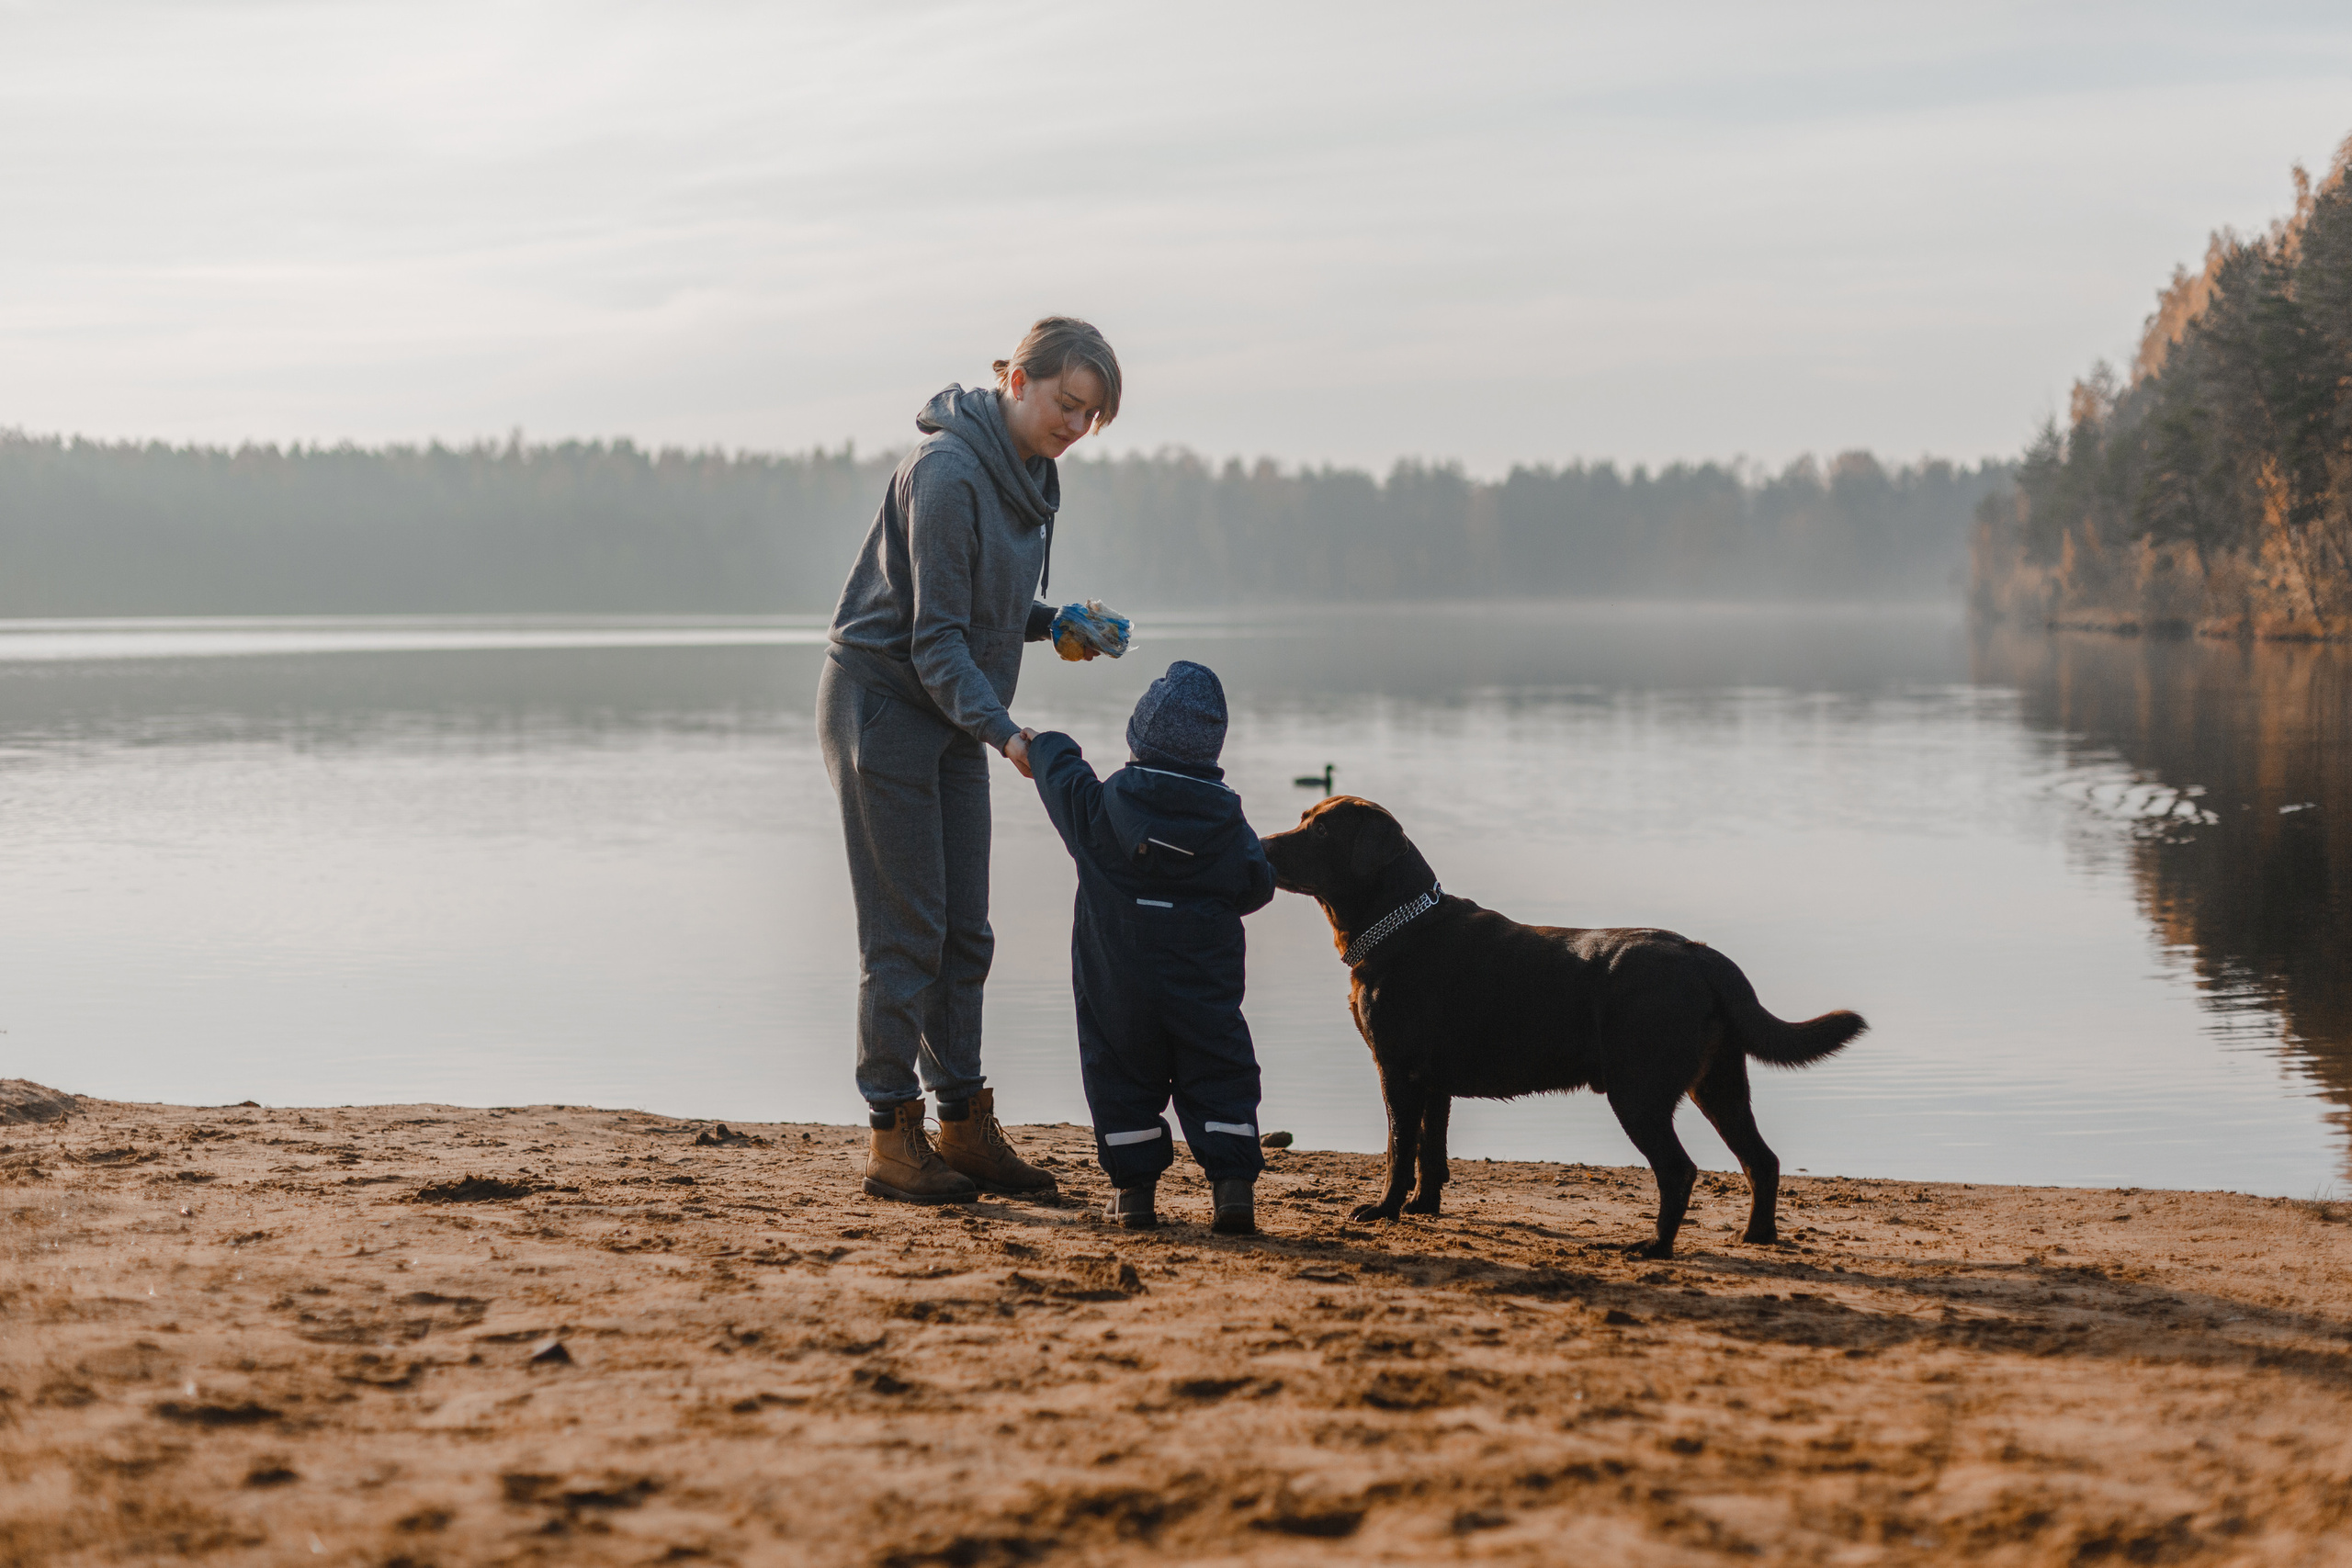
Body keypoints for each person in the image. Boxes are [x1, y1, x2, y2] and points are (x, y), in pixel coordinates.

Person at [818, 317, 1121, 1204]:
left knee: (967, 932)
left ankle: (964, 1122)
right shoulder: (947, 473)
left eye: (1090, 417)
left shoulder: (1034, 475)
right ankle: (891, 1136)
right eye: (1066, 403)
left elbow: (987, 599)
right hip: (884, 706)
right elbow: (937, 638)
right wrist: (1012, 736)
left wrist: (1054, 620)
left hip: (949, 708)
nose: (1074, 426)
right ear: (1017, 379)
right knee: (905, 933)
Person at [1020, 660, 1275, 1234]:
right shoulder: (1228, 825)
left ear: (1138, 736)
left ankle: (1134, 1194)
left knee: (1118, 1073)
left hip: (1118, 982)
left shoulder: (1101, 809)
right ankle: (1232, 1191)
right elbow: (1257, 886)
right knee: (1219, 1070)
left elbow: (1064, 777)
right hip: (1202, 988)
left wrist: (1045, 745)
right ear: (1212, 749)